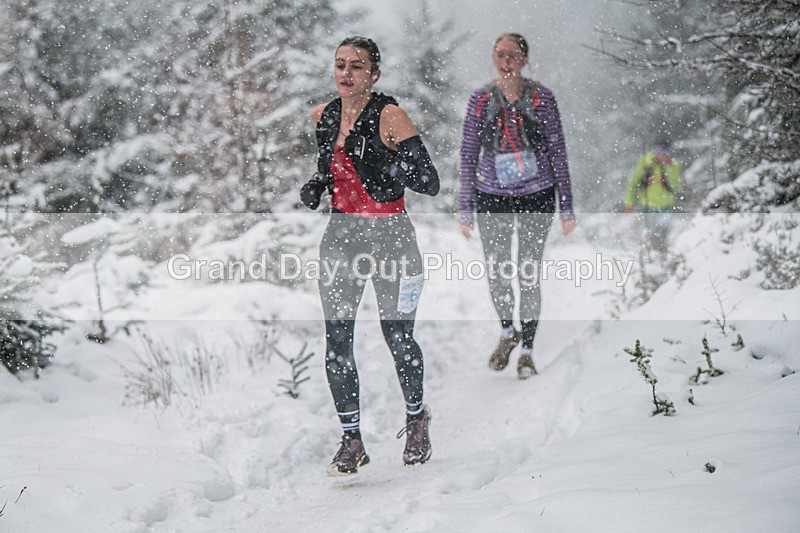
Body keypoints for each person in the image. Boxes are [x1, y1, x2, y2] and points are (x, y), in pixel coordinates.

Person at [300, 36, 440, 476]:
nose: (346, 73)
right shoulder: (322, 117)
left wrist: (384, 163)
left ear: (374, 74)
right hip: (342, 236)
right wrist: (318, 182)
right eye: (340, 64)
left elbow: (429, 180)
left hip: (391, 237)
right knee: (337, 340)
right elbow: (334, 166)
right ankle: (351, 440)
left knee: (397, 337)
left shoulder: (391, 116)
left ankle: (416, 419)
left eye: (357, 66)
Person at [459, 32, 576, 380]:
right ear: (493, 58)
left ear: (525, 60)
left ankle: (527, 352)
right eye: (500, 54)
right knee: (498, 274)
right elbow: (468, 154)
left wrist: (567, 207)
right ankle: (508, 333)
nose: (506, 61)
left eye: (513, 55)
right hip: (491, 195)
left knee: (528, 274)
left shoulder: (542, 98)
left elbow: (558, 151)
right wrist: (465, 208)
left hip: (537, 195)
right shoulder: (480, 100)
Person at [623, 146, 682, 252]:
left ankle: (663, 253)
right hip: (648, 206)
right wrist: (629, 202)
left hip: (666, 206)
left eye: (665, 154)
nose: (662, 156)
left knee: (664, 232)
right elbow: (633, 182)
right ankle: (652, 254)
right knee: (651, 234)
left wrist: (670, 168)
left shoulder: (672, 165)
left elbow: (676, 184)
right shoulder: (645, 163)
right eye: (660, 153)